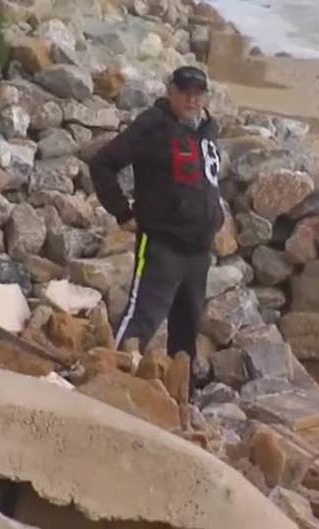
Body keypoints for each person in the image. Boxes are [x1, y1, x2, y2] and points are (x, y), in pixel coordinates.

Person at [89, 66, 223, 390]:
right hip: (162, 243)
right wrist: (123, 213)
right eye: (185, 92)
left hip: (199, 250)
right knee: (142, 318)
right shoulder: (153, 126)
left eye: (198, 93)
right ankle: (110, 383)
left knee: (186, 327)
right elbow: (102, 163)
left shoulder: (208, 129)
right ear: (171, 92)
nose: (192, 99)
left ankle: (182, 396)